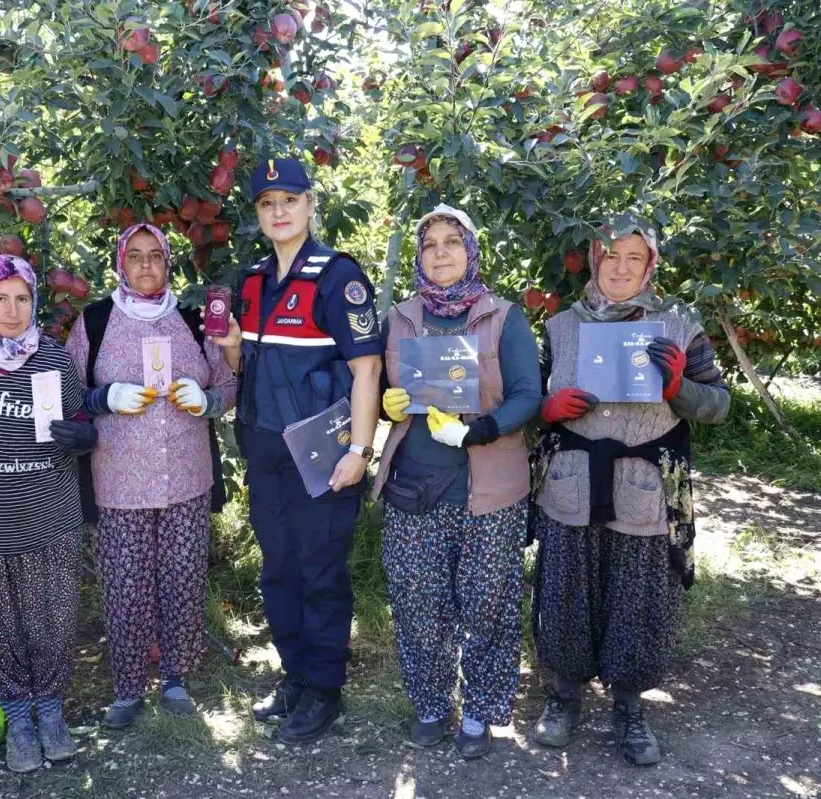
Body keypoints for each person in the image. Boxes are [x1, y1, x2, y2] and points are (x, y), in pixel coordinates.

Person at [528, 217, 730, 765]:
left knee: (638, 596)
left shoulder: (678, 325)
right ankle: (564, 696)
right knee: (566, 588)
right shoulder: (560, 325)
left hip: (644, 487)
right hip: (571, 482)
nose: (620, 267)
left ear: (651, 265)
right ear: (594, 260)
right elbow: (526, 394)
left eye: (633, 257)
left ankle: (628, 705)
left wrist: (678, 387)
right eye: (610, 255)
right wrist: (544, 410)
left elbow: (718, 404)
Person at [211, 157, 382, 745]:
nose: (279, 211)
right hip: (265, 450)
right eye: (267, 203)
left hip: (322, 455)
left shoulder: (339, 277)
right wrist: (233, 348)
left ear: (311, 205)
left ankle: (324, 689)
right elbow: (248, 369)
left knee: (321, 571)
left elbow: (368, 371)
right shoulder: (252, 281)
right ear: (257, 214)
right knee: (279, 568)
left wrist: (360, 449)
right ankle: (295, 676)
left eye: (289, 199)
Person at [372, 204, 541, 758]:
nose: (440, 253)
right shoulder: (399, 318)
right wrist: (386, 405)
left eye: (452, 242)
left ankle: (480, 712)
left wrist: (479, 432)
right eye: (430, 245)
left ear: (471, 250)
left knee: (488, 602)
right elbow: (375, 392)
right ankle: (430, 703)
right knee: (419, 601)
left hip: (489, 489)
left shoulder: (504, 317)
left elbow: (527, 394)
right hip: (416, 484)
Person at [65, 222, 236, 729]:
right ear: (121, 262)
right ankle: (127, 687)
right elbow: (67, 394)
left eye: (155, 256)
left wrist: (207, 401)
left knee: (183, 578)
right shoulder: (94, 321)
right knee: (125, 585)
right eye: (134, 256)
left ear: (167, 262)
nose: (145, 265)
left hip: (187, 476)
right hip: (120, 482)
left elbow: (227, 384)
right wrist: (105, 398)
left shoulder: (189, 320)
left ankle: (177, 677)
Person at [0, 254, 97, 774]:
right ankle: (18, 720)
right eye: (0, 298)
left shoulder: (52, 359)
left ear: (35, 302)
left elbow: (80, 420)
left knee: (52, 622)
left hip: (47, 517)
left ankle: (51, 714)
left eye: (23, 299)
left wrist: (85, 435)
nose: (11, 311)